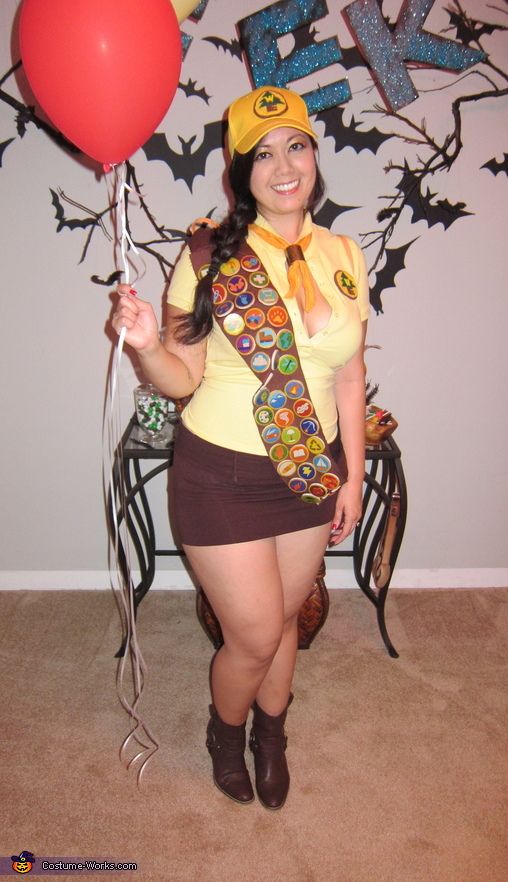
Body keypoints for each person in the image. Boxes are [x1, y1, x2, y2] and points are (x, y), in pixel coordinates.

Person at [112, 86, 369, 810]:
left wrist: (350, 476)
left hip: (310, 470)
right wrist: (144, 347)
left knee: (285, 620)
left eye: (296, 146)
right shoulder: (208, 255)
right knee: (253, 635)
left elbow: (350, 373)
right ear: (239, 171)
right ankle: (227, 731)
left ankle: (273, 733)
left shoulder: (344, 254)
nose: (283, 166)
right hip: (220, 476)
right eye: (262, 154)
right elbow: (180, 376)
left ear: (314, 154)